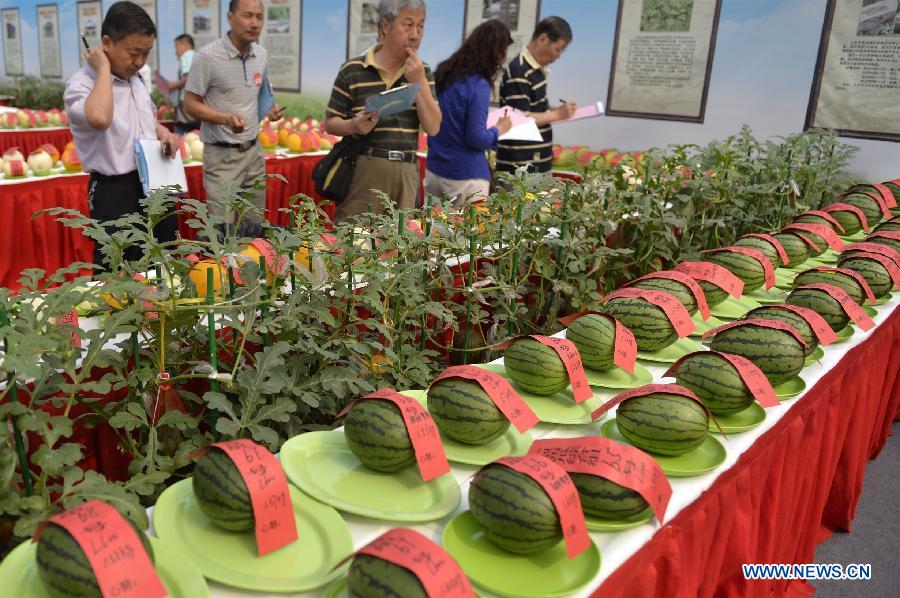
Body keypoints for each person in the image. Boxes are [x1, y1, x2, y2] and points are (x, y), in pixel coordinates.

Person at [64, 0, 180, 268]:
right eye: (133, 53)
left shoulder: (137, 78)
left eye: (146, 53)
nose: (139, 62)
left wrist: (162, 132)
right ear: (106, 42)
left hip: (154, 182)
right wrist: (103, 70)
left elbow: (142, 120)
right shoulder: (81, 85)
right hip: (114, 191)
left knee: (164, 262)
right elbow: (100, 118)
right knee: (117, 271)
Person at [324, 0, 441, 221]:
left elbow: (433, 127)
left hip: (406, 170)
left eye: (421, 26)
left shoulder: (422, 71)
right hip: (366, 167)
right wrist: (353, 125)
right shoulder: (353, 70)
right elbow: (330, 122)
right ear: (386, 27)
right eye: (407, 25)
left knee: (401, 246)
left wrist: (420, 82)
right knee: (354, 243)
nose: (415, 34)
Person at [183, 0, 284, 237]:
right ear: (230, 17)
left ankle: (252, 273)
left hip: (254, 153)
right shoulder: (207, 57)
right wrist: (225, 119)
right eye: (247, 15)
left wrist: (270, 109)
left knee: (255, 227)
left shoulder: (261, 54)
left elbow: (261, 93)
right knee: (222, 232)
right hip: (222, 157)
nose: (254, 23)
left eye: (259, 17)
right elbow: (189, 104)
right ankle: (222, 274)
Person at [424, 20, 513, 208]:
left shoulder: (444, 73)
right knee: (468, 237)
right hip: (465, 177)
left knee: (431, 235)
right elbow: (476, 138)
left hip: (434, 171)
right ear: (495, 52)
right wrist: (498, 130)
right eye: (503, 52)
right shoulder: (478, 85)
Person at [496, 16, 575, 177]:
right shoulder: (519, 70)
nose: (558, 56)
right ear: (543, 39)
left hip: (536, 162)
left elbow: (533, 107)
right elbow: (517, 119)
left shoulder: (536, 69)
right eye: (558, 49)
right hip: (520, 168)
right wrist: (557, 114)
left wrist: (554, 110)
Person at [167, 33, 200, 134]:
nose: (176, 52)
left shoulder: (187, 56)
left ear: (185, 45)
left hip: (186, 106)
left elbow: (188, 77)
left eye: (176, 47)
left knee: (181, 135)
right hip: (197, 103)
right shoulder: (197, 56)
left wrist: (173, 85)